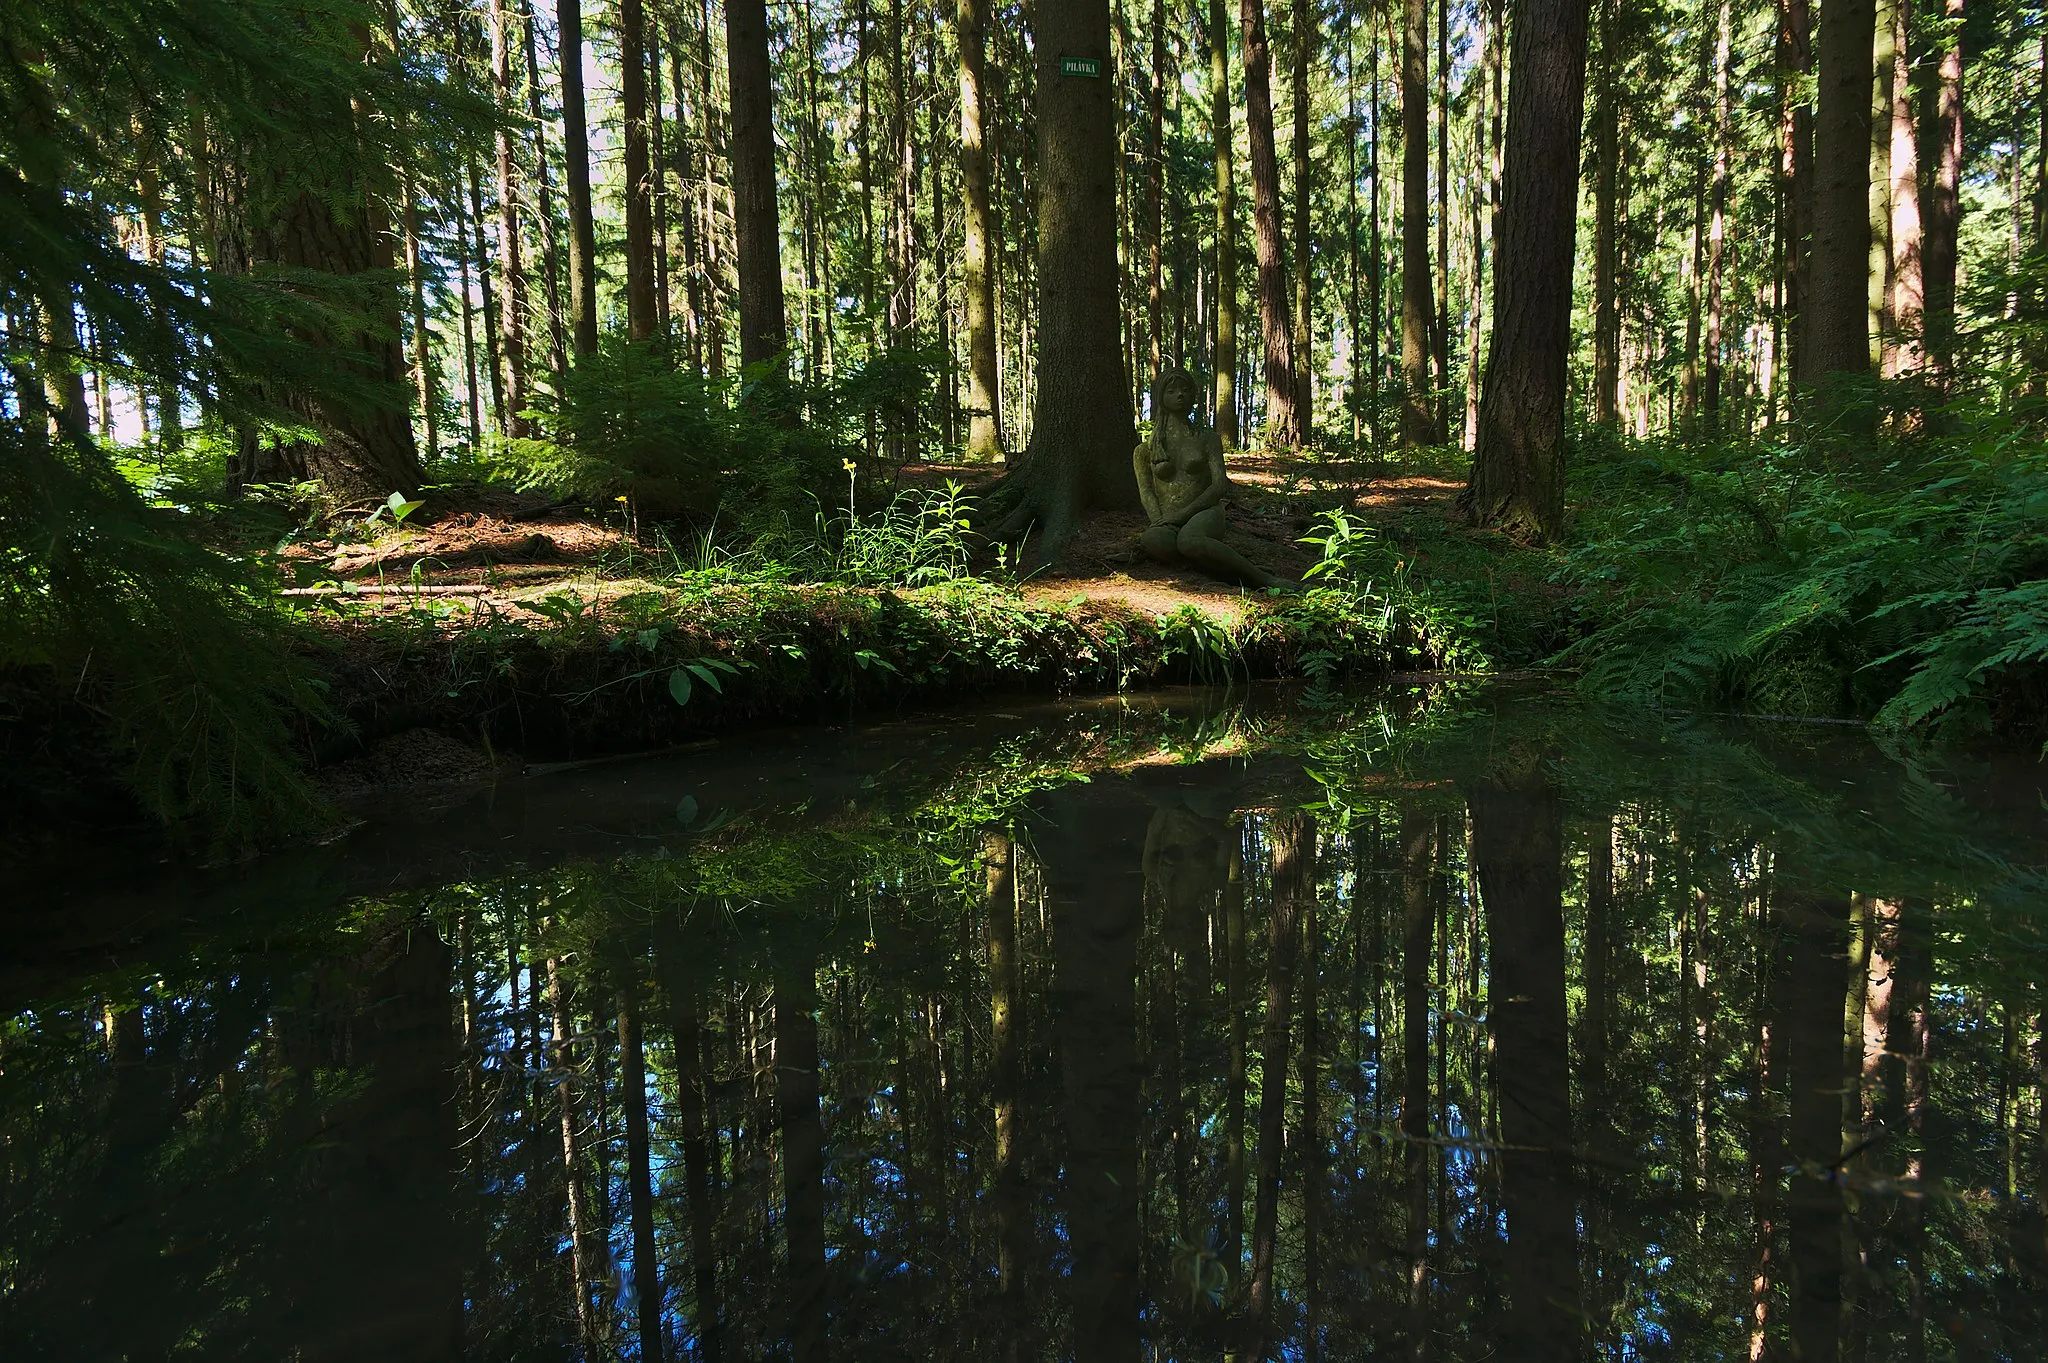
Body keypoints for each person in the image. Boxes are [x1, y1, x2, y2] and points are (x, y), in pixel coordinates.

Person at [1133, 368, 1283, 589]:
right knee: (1153, 539)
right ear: (1161, 397)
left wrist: (1181, 515)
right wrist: (1158, 521)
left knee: (1190, 540)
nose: (1180, 395)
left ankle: (1263, 578)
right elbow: (1146, 492)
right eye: (1172, 391)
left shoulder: (1207, 439)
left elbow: (1219, 485)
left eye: (1185, 390)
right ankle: (1216, 570)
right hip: (1167, 520)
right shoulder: (1145, 450)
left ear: (1193, 396)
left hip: (1205, 512)